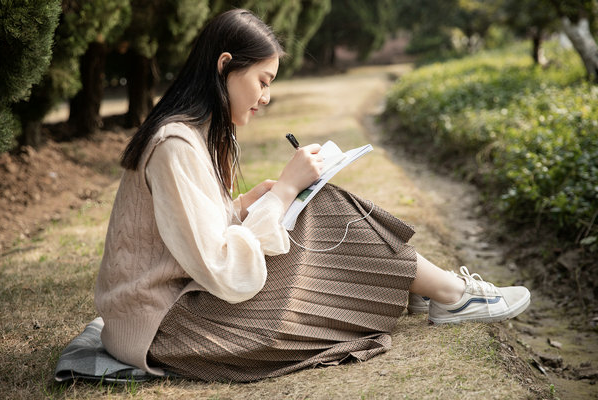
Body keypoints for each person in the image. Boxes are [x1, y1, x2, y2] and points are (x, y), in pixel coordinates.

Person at [94, 9, 530, 382]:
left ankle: (434, 290)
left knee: (314, 201)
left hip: (179, 310)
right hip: (168, 329)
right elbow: (223, 269)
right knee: (318, 206)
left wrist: (246, 203)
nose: (265, 97)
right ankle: (447, 294)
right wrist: (283, 191)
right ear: (225, 65)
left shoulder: (192, 135)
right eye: (262, 81)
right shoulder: (175, 143)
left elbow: (189, 229)